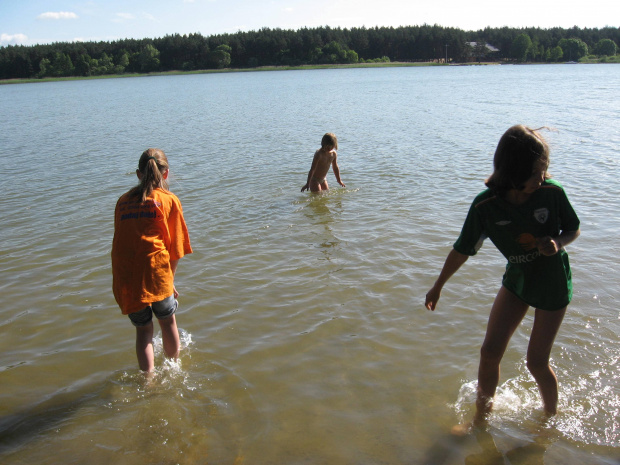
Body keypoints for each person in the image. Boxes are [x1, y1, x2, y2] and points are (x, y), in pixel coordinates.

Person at [424, 125, 580, 434]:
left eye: (545, 170)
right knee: (489, 352)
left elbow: (573, 228)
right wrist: (438, 285)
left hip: (553, 282)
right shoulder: (485, 206)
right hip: (518, 280)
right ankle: (481, 420)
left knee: (536, 362)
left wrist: (558, 243)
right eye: (536, 172)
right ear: (514, 170)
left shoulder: (552, 193)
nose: (542, 178)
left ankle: (549, 421)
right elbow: (461, 250)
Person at [112, 148, 193, 373]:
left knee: (143, 331)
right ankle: (173, 369)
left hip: (127, 277)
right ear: (166, 174)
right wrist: (170, 281)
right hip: (156, 273)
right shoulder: (169, 200)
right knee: (168, 324)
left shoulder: (122, 201)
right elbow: (175, 249)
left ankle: (147, 381)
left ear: (138, 174)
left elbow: (123, 242)